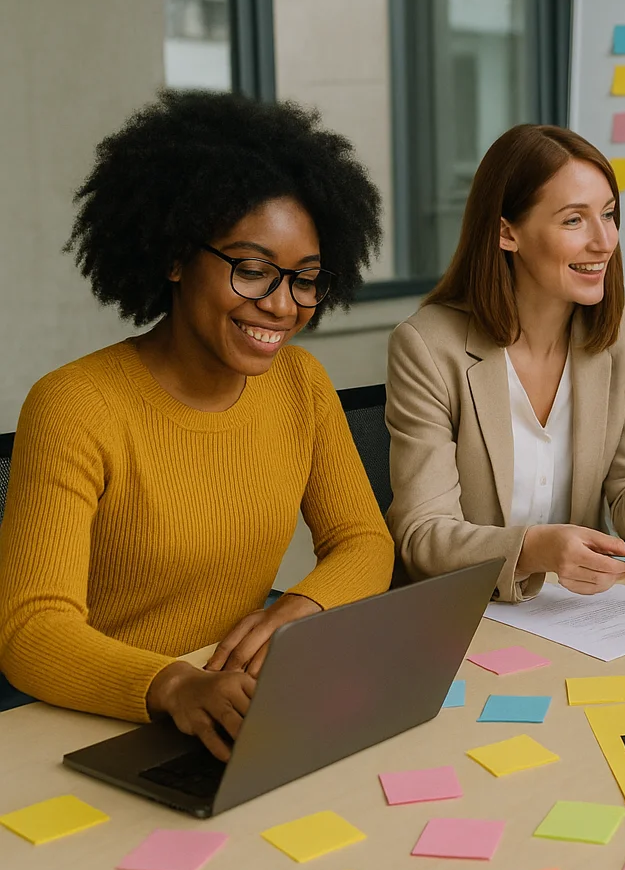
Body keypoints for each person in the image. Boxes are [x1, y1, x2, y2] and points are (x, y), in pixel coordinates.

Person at [0, 91, 396, 758]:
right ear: (178, 256)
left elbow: (364, 539)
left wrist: (303, 608)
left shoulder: (302, 384)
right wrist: (172, 685)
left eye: (304, 279)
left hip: (238, 703)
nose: (280, 305)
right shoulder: (74, 405)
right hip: (100, 720)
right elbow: (31, 631)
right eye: (251, 270)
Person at [386, 124, 625, 602]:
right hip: (467, 615)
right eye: (574, 220)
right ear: (507, 232)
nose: (604, 241)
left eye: (609, 215)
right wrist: (533, 548)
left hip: (574, 613)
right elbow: (422, 537)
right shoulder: (428, 346)